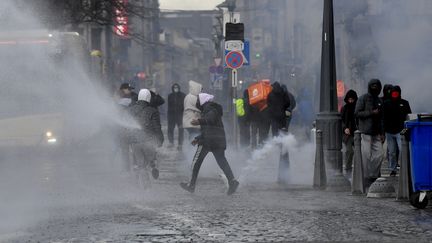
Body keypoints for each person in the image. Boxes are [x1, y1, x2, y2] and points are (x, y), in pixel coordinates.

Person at [180, 93, 239, 195]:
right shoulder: (212, 108)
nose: (197, 103)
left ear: (203, 101)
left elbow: (210, 120)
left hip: (208, 141)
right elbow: (209, 128)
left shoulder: (209, 108)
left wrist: (199, 121)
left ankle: (191, 185)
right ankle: (232, 181)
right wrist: (198, 138)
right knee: (222, 162)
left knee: (196, 162)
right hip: (217, 140)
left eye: (198, 101)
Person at [129, 89, 164, 179]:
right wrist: (160, 139)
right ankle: (153, 167)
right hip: (148, 140)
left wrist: (128, 139)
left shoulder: (131, 109)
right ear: (148, 98)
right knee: (151, 158)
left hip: (135, 140)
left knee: (140, 164)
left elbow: (127, 127)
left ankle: (143, 186)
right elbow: (157, 127)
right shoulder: (153, 111)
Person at [355, 79, 384, 186]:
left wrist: (382, 133)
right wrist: (371, 112)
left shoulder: (380, 101)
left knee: (380, 155)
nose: (375, 87)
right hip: (365, 132)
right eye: (373, 85)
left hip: (376, 132)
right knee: (366, 155)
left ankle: (373, 175)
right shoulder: (363, 98)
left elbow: (382, 118)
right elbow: (357, 113)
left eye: (377, 85)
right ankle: (365, 176)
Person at [383, 85, 411, 176]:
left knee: (402, 150)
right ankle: (393, 169)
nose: (395, 94)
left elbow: (408, 116)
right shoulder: (386, 103)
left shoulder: (405, 103)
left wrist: (406, 129)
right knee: (392, 152)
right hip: (389, 131)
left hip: (401, 131)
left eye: (396, 93)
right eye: (393, 93)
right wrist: (383, 130)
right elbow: (383, 118)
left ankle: (404, 167)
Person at [340, 89, 358, 175]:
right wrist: (345, 128)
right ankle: (348, 169)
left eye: (352, 99)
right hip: (348, 134)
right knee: (349, 151)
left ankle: (359, 168)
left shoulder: (358, 108)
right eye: (349, 99)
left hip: (357, 132)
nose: (350, 101)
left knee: (361, 151)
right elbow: (341, 121)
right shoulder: (344, 108)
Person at [167, 83, 186, 150]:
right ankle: (171, 142)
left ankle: (180, 144)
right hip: (171, 116)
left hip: (180, 116)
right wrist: (168, 116)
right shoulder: (170, 96)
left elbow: (184, 106)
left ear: (179, 88)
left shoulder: (183, 95)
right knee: (170, 129)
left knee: (181, 130)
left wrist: (184, 116)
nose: (175, 88)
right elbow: (169, 107)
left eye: (176, 87)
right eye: (174, 87)